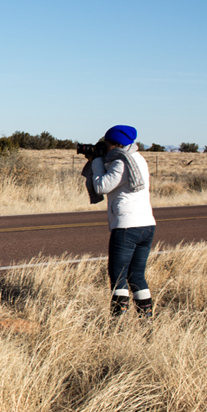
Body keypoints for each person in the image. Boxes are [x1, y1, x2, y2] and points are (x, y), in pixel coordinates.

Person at [87, 125, 156, 318]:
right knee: (137, 276)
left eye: (107, 144)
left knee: (118, 277)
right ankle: (146, 321)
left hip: (127, 225)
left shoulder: (121, 162)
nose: (105, 147)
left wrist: (97, 161)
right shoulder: (139, 159)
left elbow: (101, 186)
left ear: (116, 144)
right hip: (147, 224)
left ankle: (118, 323)